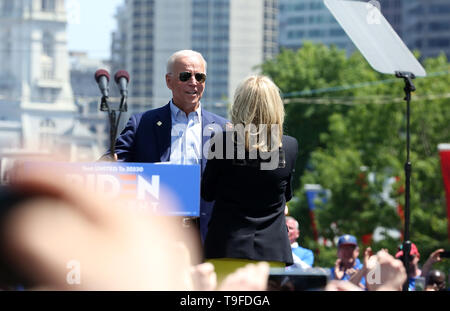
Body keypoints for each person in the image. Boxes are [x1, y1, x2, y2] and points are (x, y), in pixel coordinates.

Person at [109, 50, 228, 244]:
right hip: (156, 231)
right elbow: (113, 161)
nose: (193, 82)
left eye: (200, 76)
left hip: (206, 233)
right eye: (185, 76)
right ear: (169, 81)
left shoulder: (223, 129)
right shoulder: (142, 124)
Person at [201, 75, 298, 282]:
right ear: (276, 106)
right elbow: (287, 194)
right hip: (272, 254)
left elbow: (207, 193)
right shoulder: (289, 145)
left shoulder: (222, 141)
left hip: (226, 248)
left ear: (239, 105)